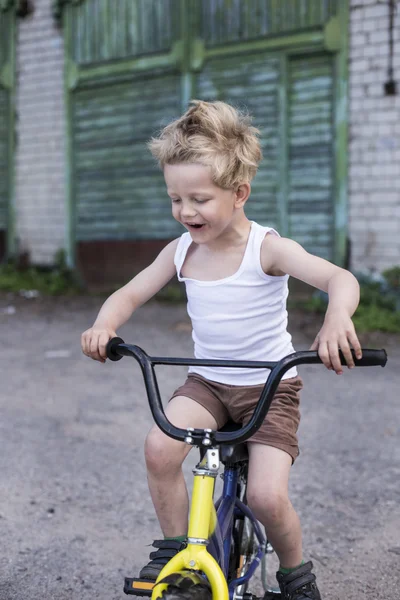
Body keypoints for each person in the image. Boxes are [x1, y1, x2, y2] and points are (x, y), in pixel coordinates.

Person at [81, 100, 362, 600]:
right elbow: (127, 294)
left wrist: (337, 317)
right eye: (175, 199)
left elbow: (339, 278)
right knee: (159, 447)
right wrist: (105, 323)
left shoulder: (266, 248)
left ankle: (297, 576)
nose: (185, 212)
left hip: (269, 387)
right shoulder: (180, 250)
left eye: (199, 199)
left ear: (239, 194)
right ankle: (177, 553)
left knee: (267, 496)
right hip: (208, 382)